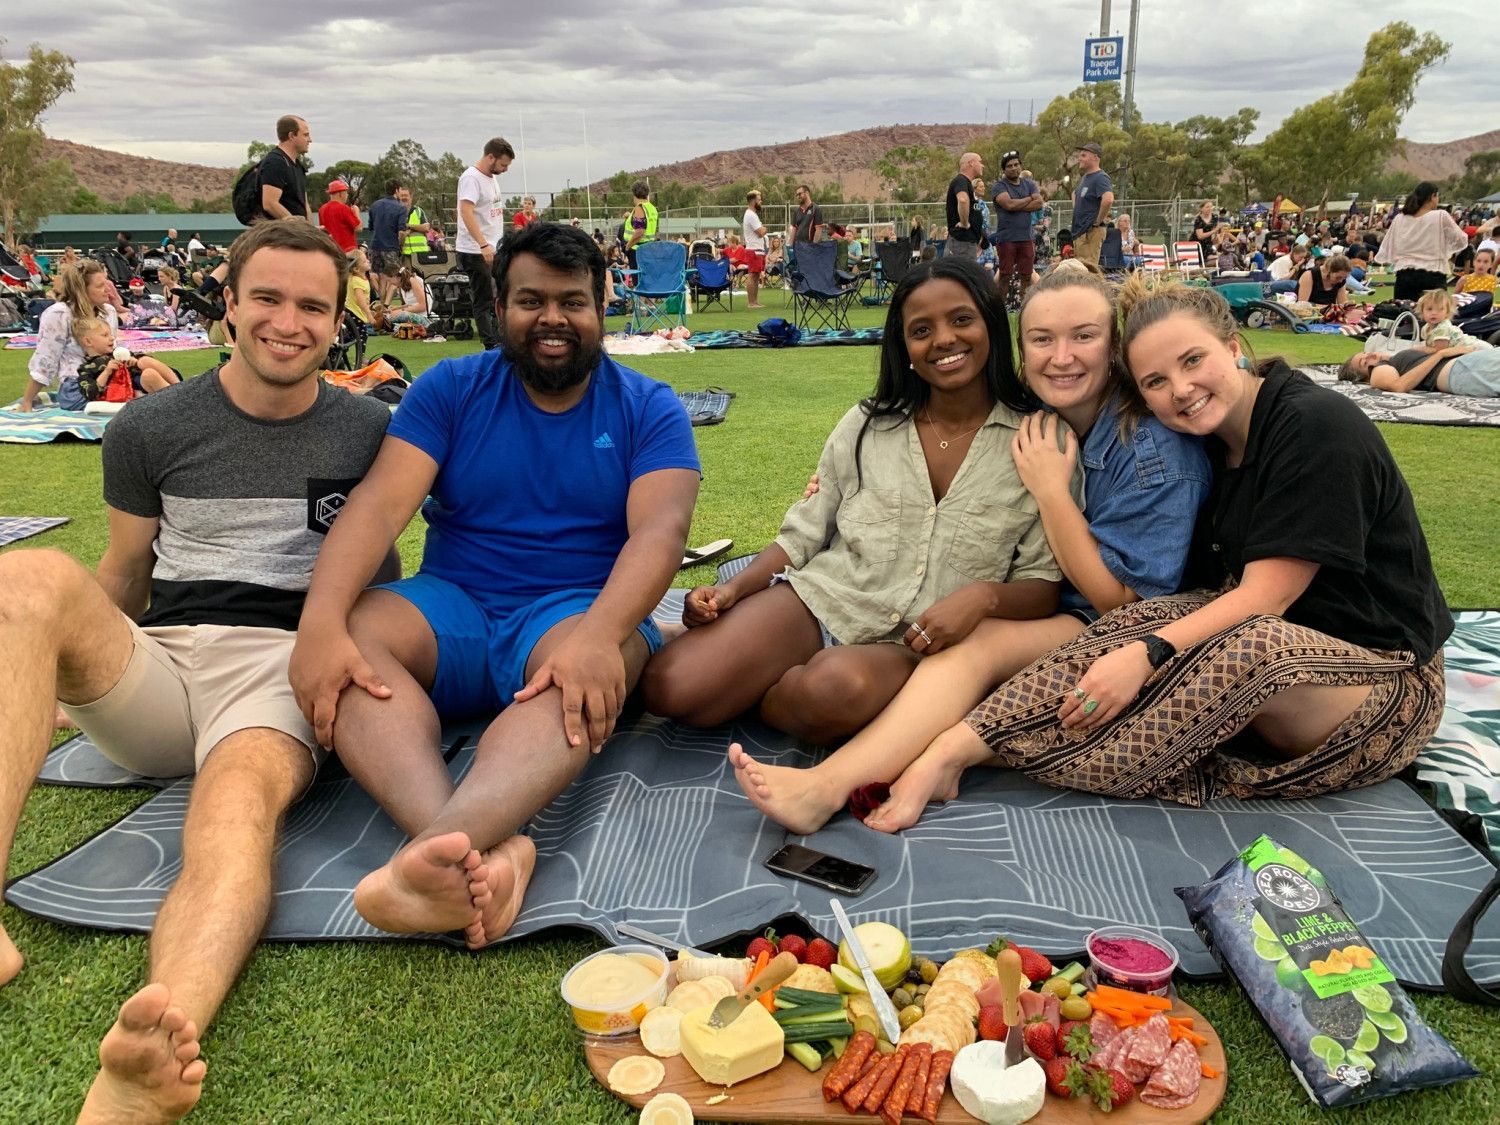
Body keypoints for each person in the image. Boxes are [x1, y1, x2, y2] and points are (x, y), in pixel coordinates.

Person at [0, 220, 391, 1122]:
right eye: (268, 298)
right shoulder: (150, 426)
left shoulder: (372, 431)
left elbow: (394, 571)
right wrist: (54, 671)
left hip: (284, 669)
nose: (287, 322)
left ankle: (152, 1051)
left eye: (312, 307)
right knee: (29, 576)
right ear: (229, 306)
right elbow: (124, 574)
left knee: (233, 808)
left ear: (338, 323)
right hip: (163, 663)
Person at [287, 222, 701, 947]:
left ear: (601, 305)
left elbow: (659, 534)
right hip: (456, 603)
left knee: (581, 674)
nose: (552, 319)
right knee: (349, 646)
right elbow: (379, 506)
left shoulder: (650, 406)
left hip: (578, 611)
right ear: (501, 308)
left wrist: (602, 636)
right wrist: (319, 625)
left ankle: (432, 860)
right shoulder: (451, 388)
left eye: (572, 302)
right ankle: (469, 853)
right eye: (531, 301)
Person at [730, 267, 1211, 834]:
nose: (1061, 357)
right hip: (1017, 601)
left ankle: (832, 786)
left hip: (1106, 619)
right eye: (1042, 339)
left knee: (971, 650)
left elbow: (1120, 606)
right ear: (1019, 346)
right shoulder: (1042, 411)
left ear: (1114, 346)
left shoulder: (1151, 451)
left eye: (1084, 336)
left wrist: (1051, 493)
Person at [957, 278, 1450, 806]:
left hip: (1385, 676)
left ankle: (997, 749)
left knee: (1242, 645)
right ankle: (964, 740)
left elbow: (1265, 599)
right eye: (1156, 381)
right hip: (1276, 655)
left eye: (1193, 361)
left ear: (1233, 347)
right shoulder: (1208, 441)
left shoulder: (1315, 425)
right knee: (1146, 619)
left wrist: (1147, 654)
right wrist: (1140, 640)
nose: (1181, 389)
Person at [640, 257, 1064, 743]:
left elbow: (1043, 583)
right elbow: (804, 533)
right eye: (921, 330)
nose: (944, 339)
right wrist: (734, 591)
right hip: (827, 599)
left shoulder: (1039, 441)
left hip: (918, 641)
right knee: (670, 686)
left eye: (961, 319)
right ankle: (764, 677)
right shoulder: (868, 424)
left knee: (831, 691)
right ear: (904, 346)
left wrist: (983, 598)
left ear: (991, 324)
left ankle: (769, 689)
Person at [20, 260, 119, 412]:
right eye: (100, 286)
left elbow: (111, 350)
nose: (108, 290)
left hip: (107, 378)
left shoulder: (109, 312)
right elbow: (46, 360)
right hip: (77, 385)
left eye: (106, 283)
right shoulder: (59, 314)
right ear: (81, 290)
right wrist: (27, 401)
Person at [455, 137, 516, 351]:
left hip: (493, 247)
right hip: (475, 250)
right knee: (484, 299)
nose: (505, 169)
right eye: (503, 164)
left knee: (501, 294)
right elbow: (466, 212)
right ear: (491, 157)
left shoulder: (491, 178)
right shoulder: (471, 178)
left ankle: (503, 336)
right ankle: (490, 345)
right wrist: (482, 245)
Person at [1374, 182, 1468, 301]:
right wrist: (1445, 250)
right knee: (1434, 312)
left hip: (1405, 275)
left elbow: (1389, 245)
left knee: (1405, 311)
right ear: (1433, 196)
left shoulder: (1400, 218)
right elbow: (1461, 239)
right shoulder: (1440, 216)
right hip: (1433, 273)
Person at [72, 316, 181, 401]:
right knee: (149, 374)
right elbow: (90, 394)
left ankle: (181, 389)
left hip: (153, 379)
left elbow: (147, 360)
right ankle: (177, 399)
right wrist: (106, 372)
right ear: (88, 341)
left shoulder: (117, 352)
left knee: (145, 362)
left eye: (110, 334)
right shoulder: (86, 368)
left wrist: (134, 361)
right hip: (130, 388)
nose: (111, 338)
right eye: (105, 335)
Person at [1342, 344, 1500, 396]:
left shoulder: (1392, 360)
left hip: (1465, 364)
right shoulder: (1378, 370)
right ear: (1364, 378)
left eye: (1365, 353)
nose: (1369, 355)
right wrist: (1440, 355)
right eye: (1365, 362)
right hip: (1460, 370)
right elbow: (1399, 386)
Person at [258, 115, 313, 222]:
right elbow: (270, 204)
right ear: (291, 135)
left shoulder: (297, 165)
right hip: (282, 232)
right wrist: (298, 227)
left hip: (299, 231)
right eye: (305, 135)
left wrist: (310, 229)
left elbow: (304, 203)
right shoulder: (275, 162)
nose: (310, 140)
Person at [1070, 143, 1113, 266]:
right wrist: (1077, 211)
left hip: (1091, 232)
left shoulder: (1101, 177)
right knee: (1080, 269)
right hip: (1080, 231)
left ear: (1095, 157)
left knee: (1088, 270)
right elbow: (1074, 194)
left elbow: (1108, 199)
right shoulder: (1085, 177)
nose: (1079, 158)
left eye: (1083, 155)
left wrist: (1098, 221)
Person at [368, 179, 408, 303]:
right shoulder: (401, 208)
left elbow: (371, 227)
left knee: (382, 279)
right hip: (390, 248)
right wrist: (401, 244)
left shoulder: (375, 205)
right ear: (397, 190)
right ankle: (387, 306)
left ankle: (382, 305)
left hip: (375, 246)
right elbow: (401, 232)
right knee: (396, 278)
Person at [943, 152, 984, 261]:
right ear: (971, 163)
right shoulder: (961, 180)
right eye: (980, 162)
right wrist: (964, 223)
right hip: (961, 243)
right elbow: (962, 200)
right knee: (961, 272)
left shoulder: (966, 183)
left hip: (966, 243)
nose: (982, 165)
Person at [317, 179, 362, 256]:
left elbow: (323, 230)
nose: (347, 195)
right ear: (341, 194)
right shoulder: (344, 208)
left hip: (331, 252)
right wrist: (356, 211)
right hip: (348, 252)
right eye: (346, 192)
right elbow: (358, 228)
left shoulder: (322, 209)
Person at [622, 180, 659, 269]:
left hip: (637, 250)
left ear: (634, 193)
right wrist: (630, 217)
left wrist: (627, 247)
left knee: (637, 276)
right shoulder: (652, 208)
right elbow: (647, 225)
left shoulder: (640, 207)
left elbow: (640, 231)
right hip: (648, 248)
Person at [400, 188, 440, 269]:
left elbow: (426, 227)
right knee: (408, 276)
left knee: (422, 275)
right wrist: (417, 228)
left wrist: (409, 226)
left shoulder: (418, 211)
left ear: (411, 197)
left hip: (421, 254)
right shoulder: (397, 212)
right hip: (406, 255)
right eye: (402, 195)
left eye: (406, 195)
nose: (404, 197)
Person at [742, 188, 768, 308]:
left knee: (756, 275)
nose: (761, 201)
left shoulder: (752, 215)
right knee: (753, 275)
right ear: (753, 201)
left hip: (757, 249)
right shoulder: (751, 215)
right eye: (759, 199)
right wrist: (764, 228)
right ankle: (751, 302)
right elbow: (760, 232)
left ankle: (755, 301)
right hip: (754, 250)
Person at [1191, 201, 1220, 267]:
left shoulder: (1215, 217)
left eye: (1211, 207)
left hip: (1208, 244)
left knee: (1223, 258)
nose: (1210, 209)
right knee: (1216, 260)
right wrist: (1214, 231)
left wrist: (1217, 239)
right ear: (1201, 208)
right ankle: (1201, 267)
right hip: (1198, 244)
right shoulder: (1198, 220)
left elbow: (1215, 233)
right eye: (1207, 207)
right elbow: (1200, 236)